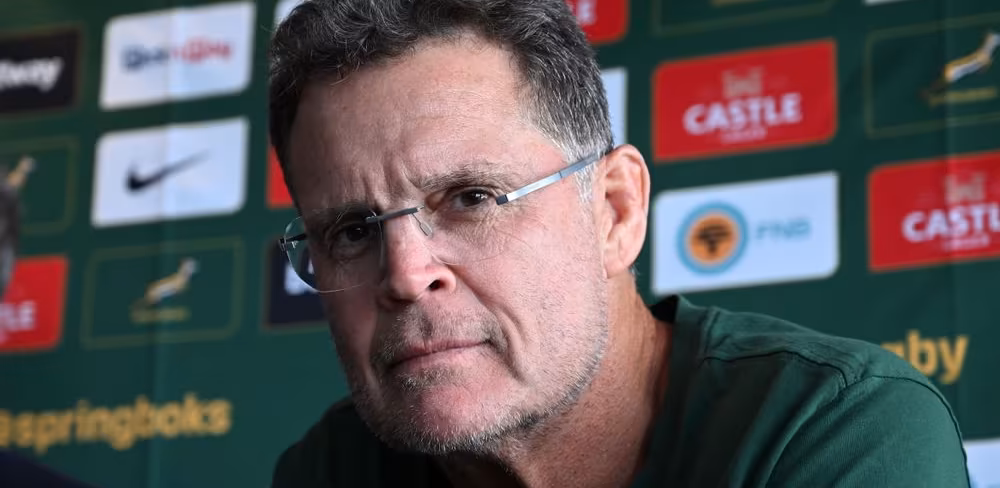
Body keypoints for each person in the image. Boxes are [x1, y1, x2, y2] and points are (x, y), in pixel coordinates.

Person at [266, 1, 970, 486]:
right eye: (352, 231)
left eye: (472, 198)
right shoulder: (330, 470)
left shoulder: (834, 427)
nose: (405, 275)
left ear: (614, 211)